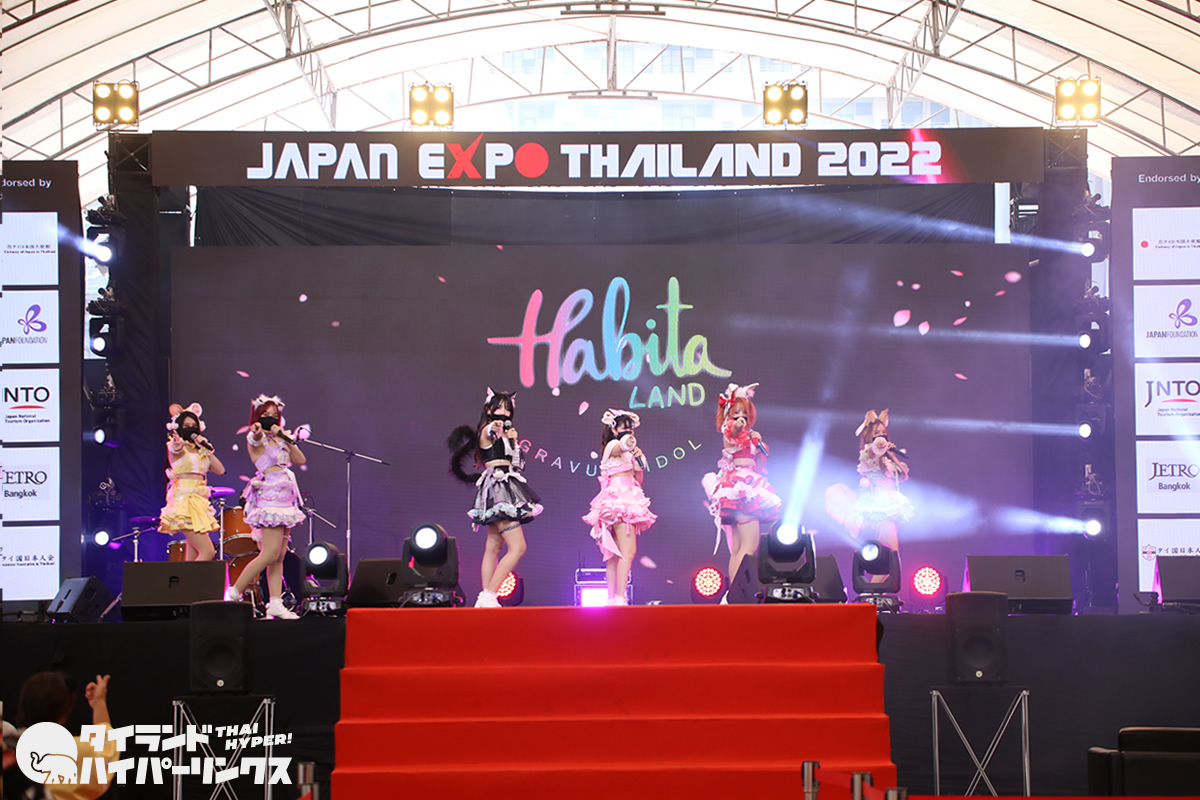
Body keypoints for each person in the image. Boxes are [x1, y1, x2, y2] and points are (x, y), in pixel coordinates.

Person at [448, 389, 542, 608]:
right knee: (518, 547)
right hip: (499, 489)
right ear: (489, 409)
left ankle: (485, 597)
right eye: (499, 407)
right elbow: (491, 432)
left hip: (506, 486)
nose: (503, 412)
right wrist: (497, 428)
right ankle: (489, 594)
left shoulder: (508, 435)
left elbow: (518, 464)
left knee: (494, 546)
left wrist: (513, 441)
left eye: (507, 408)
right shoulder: (488, 429)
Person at [226, 394, 306, 619]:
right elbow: (256, 436)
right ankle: (233, 593)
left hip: (285, 498)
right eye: (265, 414)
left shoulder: (281, 439)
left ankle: (275, 603)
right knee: (269, 553)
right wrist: (258, 431)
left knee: (279, 556)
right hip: (270, 497)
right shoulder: (255, 437)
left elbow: (300, 460)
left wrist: (286, 438)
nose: (270, 418)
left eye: (274, 415)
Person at [702, 383, 782, 593]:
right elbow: (733, 429)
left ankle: (732, 593)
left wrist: (759, 446)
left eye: (744, 413)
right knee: (749, 546)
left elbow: (760, 465)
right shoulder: (730, 431)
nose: (741, 418)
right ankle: (737, 592)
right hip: (741, 487)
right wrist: (737, 424)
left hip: (748, 483)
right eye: (736, 413)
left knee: (738, 548)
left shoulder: (752, 436)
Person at [582, 409, 656, 605]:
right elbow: (621, 446)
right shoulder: (612, 446)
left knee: (615, 555)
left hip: (628, 498)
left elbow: (638, 479)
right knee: (627, 552)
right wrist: (628, 443)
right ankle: (620, 598)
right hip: (618, 502)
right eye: (625, 428)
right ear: (614, 430)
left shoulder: (628, 453)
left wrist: (639, 461)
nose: (629, 432)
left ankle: (612, 599)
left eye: (631, 429)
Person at [6, 672, 118, 800]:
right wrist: (99, 702)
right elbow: (105, 746)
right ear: (63, 715)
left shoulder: (7, 749)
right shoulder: (75, 753)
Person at [158, 403, 225, 561]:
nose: (191, 428)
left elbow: (220, 470)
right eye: (187, 426)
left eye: (194, 426)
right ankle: (190, 578)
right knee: (207, 551)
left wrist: (206, 449)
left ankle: (188, 578)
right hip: (184, 501)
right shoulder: (177, 447)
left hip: (199, 501)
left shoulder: (201, 450)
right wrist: (177, 443)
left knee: (192, 556)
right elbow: (175, 448)